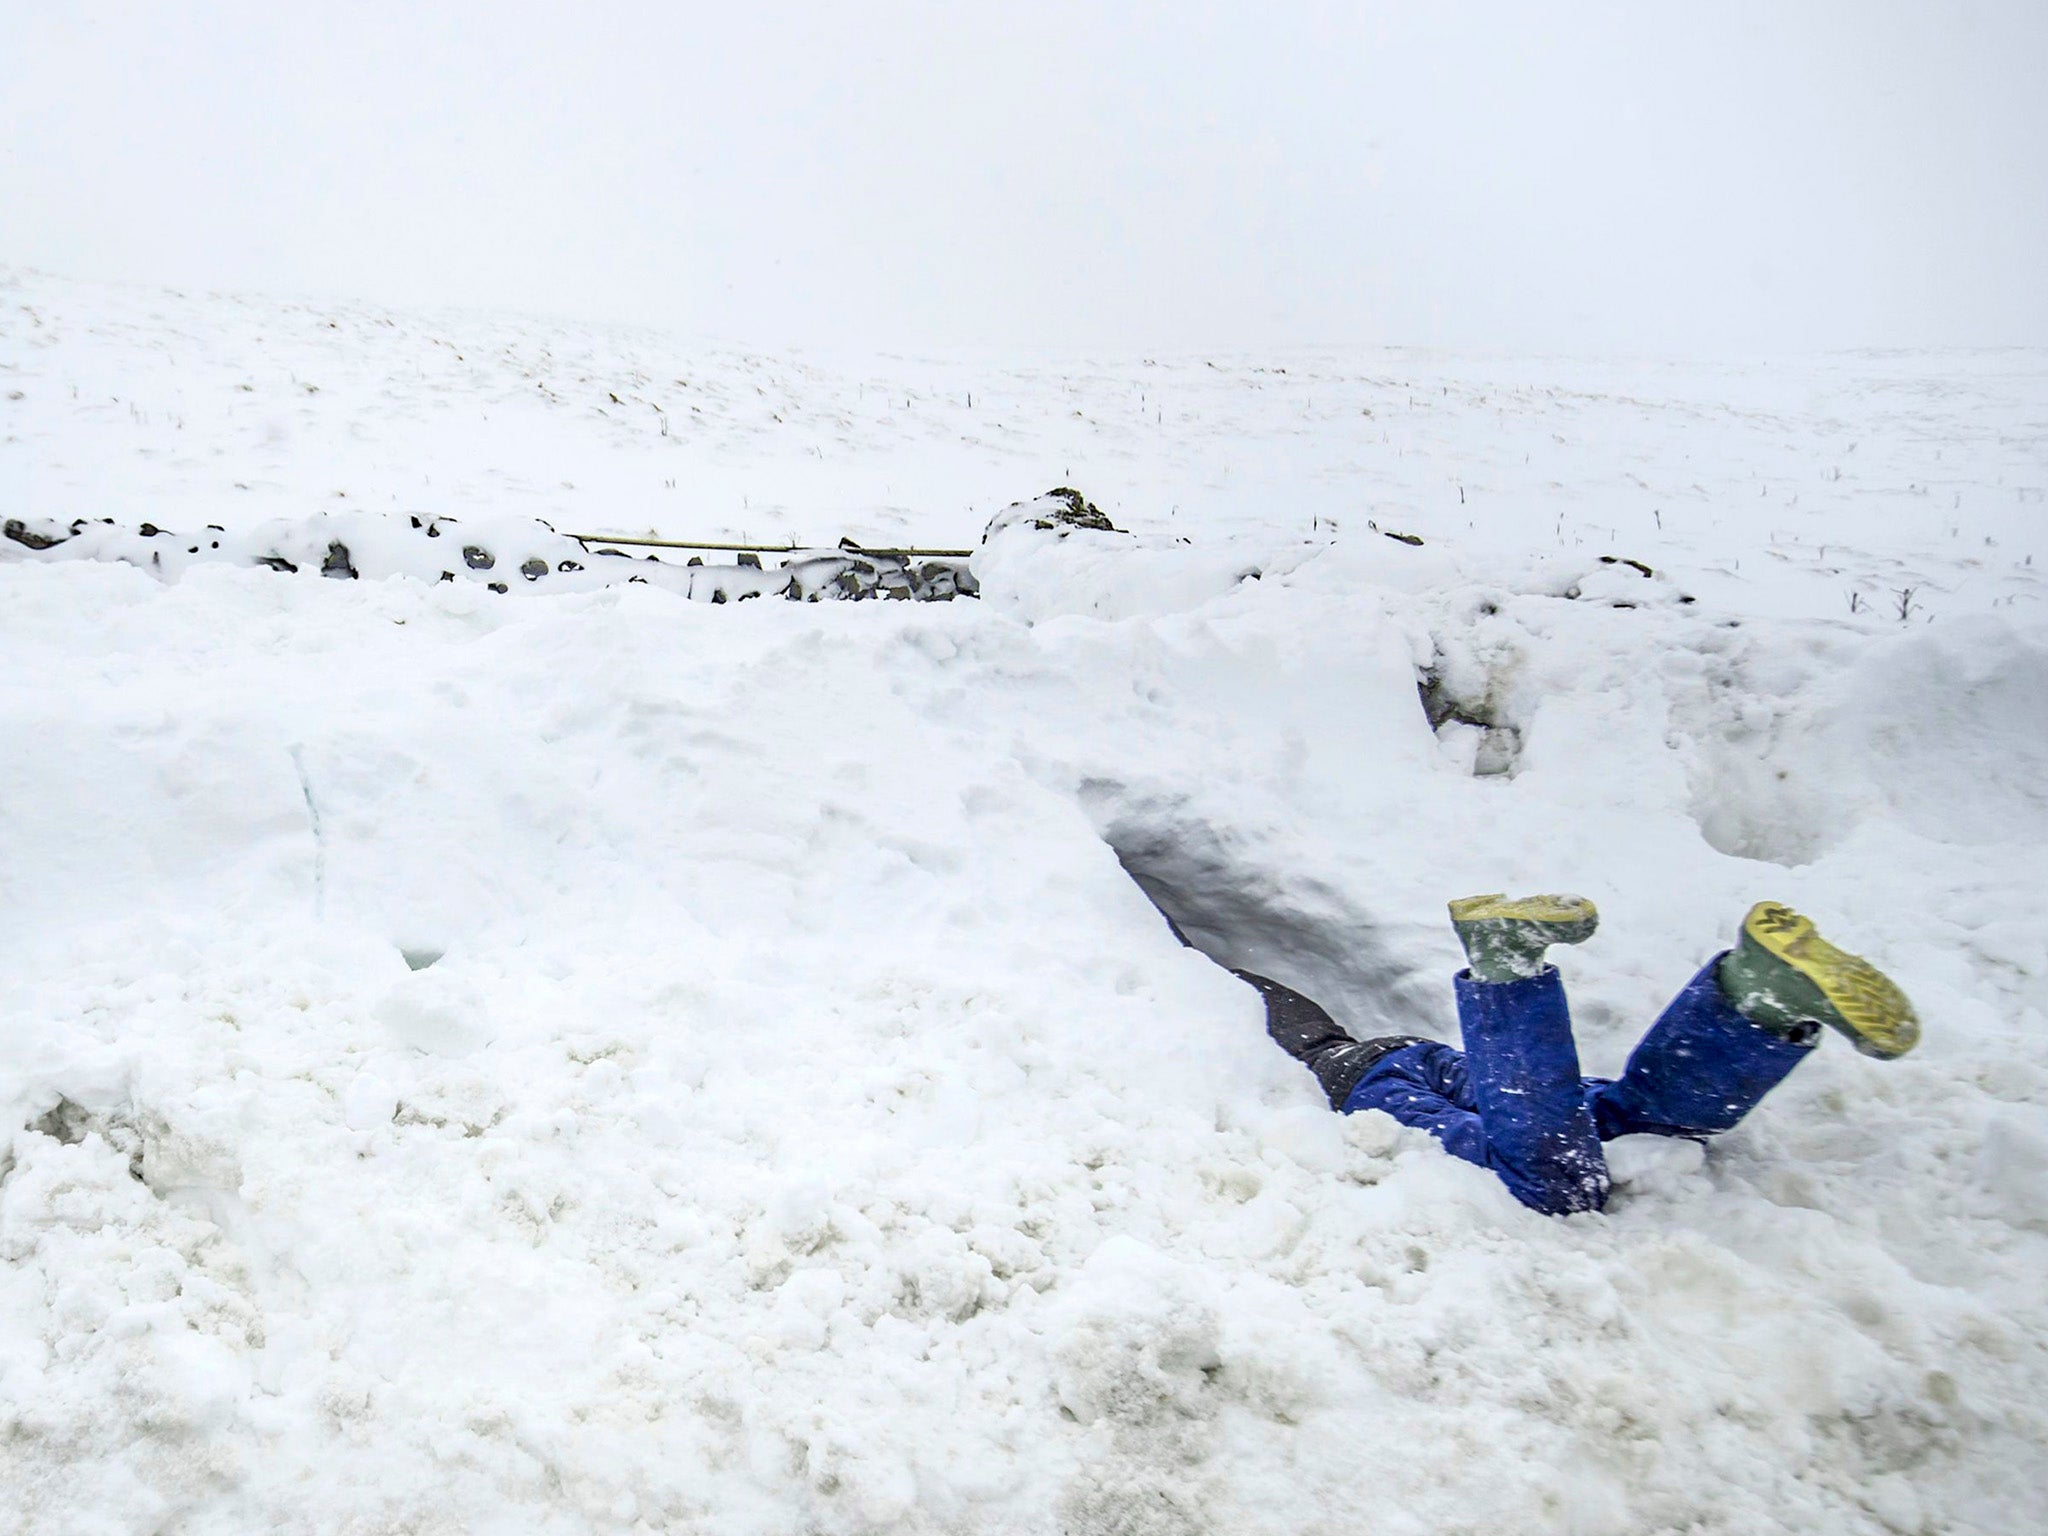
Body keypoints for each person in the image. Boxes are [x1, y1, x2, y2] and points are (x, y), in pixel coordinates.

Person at [1235, 895, 1919, 1215]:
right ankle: (1757, 1001)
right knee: (1632, 1123)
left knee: (1549, 1178)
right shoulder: (1258, 1000)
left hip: (1374, 1090)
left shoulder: (1220, 1010)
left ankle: (1506, 966)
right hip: (1411, 1058)